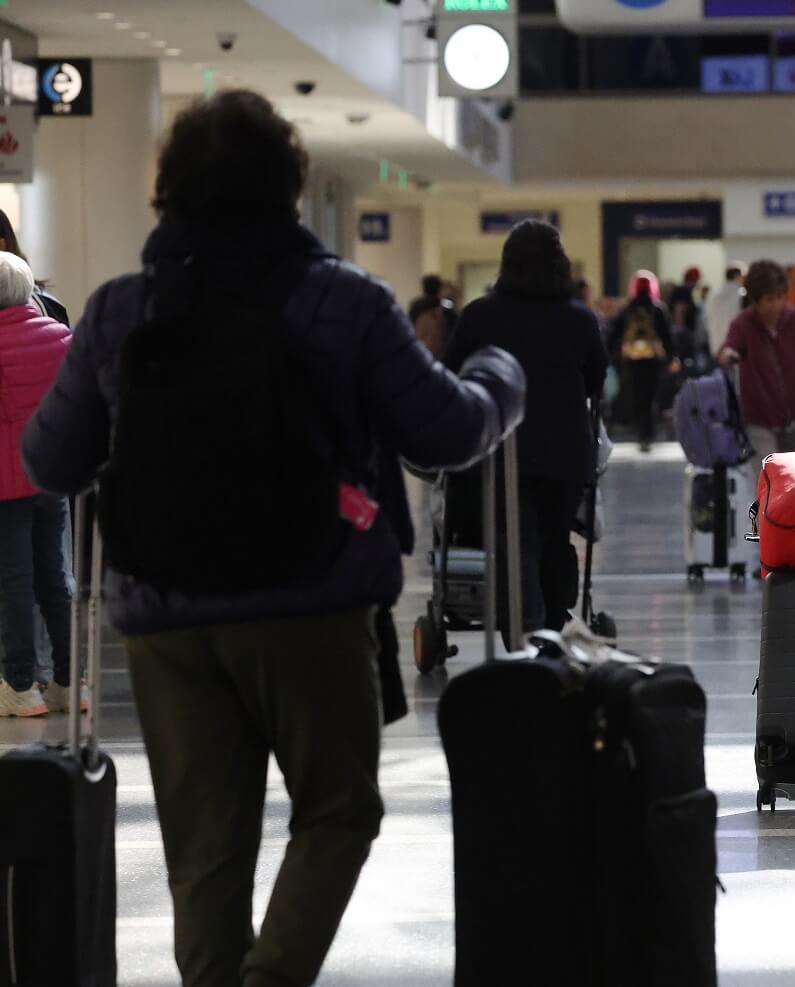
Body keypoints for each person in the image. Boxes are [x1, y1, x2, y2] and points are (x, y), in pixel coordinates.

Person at [21, 89, 526, 987]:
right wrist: (500, 374)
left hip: (165, 614)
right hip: (311, 601)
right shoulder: (343, 300)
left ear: (169, 188)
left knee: (203, 852)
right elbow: (446, 431)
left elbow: (52, 458)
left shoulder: (120, 309)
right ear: (289, 186)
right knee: (338, 810)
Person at [443, 220, 608, 632]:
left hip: (500, 450)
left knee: (518, 540)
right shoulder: (579, 319)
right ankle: (551, 626)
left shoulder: (479, 316)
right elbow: (596, 381)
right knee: (554, 539)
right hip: (565, 453)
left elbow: (451, 376)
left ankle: (527, 627)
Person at [0, 253, 72, 718]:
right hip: (52, 475)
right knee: (55, 578)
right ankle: (69, 682)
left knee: (14, 584)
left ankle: (20, 684)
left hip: (6, 484)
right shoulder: (61, 337)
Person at [718, 260, 795, 464]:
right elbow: (729, 347)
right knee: (767, 470)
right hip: (759, 419)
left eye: (780, 297)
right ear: (755, 300)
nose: (776, 305)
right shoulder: (743, 324)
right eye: (769, 299)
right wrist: (728, 354)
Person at [610, 270, 675, 452]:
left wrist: (614, 355)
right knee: (650, 395)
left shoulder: (627, 309)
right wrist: (671, 356)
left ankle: (640, 430)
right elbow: (667, 336)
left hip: (632, 360)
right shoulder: (658, 309)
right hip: (653, 360)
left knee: (637, 394)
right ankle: (648, 432)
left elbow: (615, 334)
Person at [409, 273, 456, 358]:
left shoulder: (416, 305)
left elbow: (410, 325)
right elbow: (453, 316)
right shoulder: (444, 303)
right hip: (440, 348)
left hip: (421, 346)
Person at [704, 263, 745, 355]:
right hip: (735, 344)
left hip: (716, 343)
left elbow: (707, 317)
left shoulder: (712, 294)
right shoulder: (741, 295)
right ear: (737, 276)